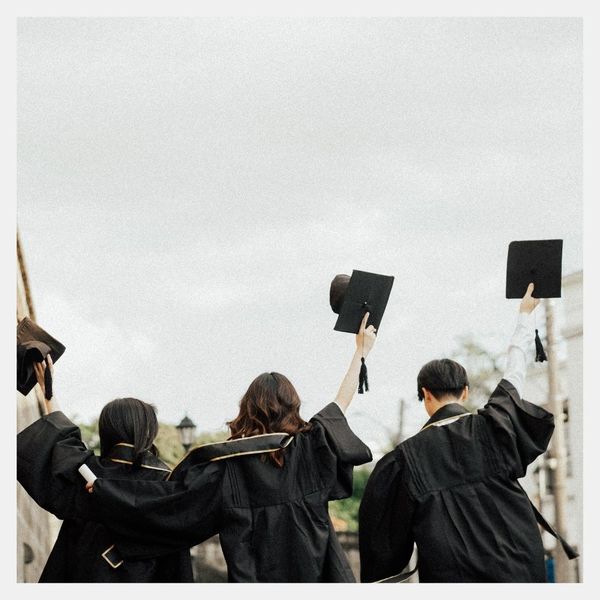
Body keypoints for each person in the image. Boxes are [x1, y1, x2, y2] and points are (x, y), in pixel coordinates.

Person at [87, 312, 376, 582]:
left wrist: (105, 490)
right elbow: (341, 402)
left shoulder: (227, 467)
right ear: (293, 406)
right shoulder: (312, 448)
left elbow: (168, 503)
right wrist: (360, 351)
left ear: (247, 410)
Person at [359, 283, 557, 583]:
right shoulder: (495, 426)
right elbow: (515, 373)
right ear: (465, 392)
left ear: (425, 395)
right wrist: (524, 315)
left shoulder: (404, 461)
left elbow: (384, 549)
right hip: (520, 570)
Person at [17, 357, 194, 582]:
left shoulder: (87, 472)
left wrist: (48, 393)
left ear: (106, 431)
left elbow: (61, 442)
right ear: (149, 432)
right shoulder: (169, 486)